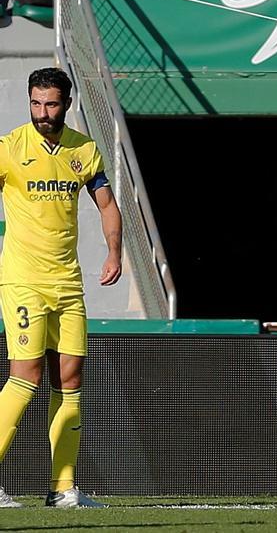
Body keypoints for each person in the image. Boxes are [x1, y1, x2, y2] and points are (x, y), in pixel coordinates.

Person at [0, 67, 121, 508]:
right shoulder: (10, 148)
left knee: (69, 379)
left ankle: (63, 488)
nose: (42, 112)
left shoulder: (83, 150)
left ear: (66, 103)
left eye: (50, 104)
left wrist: (114, 253)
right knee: (25, 377)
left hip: (67, 283)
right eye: (35, 103)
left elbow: (107, 205)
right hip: (24, 281)